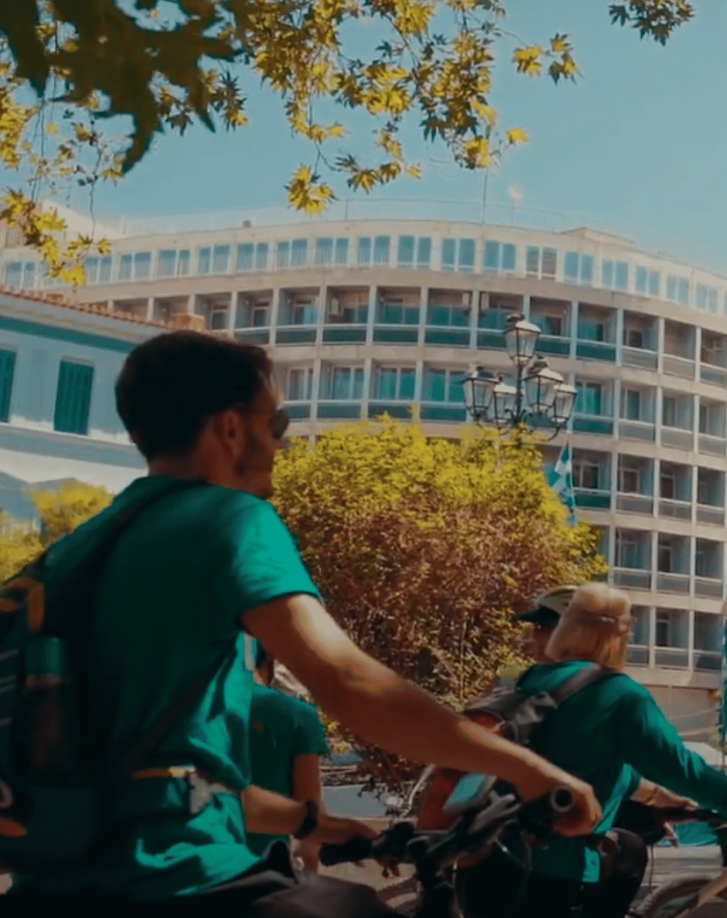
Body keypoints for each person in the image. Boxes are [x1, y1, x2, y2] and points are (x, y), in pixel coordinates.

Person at [4, 331, 601, 918]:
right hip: (178, 882)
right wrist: (528, 768)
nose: (281, 446)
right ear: (231, 428)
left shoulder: (68, 556)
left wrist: (314, 821)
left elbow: (162, 781)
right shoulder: (230, 518)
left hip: (51, 885)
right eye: (277, 425)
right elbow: (349, 683)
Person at [458, 583, 727, 918]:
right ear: (619, 638)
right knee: (626, 852)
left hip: (486, 864)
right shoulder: (620, 695)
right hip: (551, 875)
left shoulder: (532, 680)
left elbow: (591, 761)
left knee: (629, 848)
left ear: (567, 628)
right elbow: (687, 770)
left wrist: (664, 799)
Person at [246, 642, 329, 871]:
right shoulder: (300, 715)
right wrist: (311, 866)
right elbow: (309, 805)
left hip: (196, 870)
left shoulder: (196, 713)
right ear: (269, 661)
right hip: (268, 871)